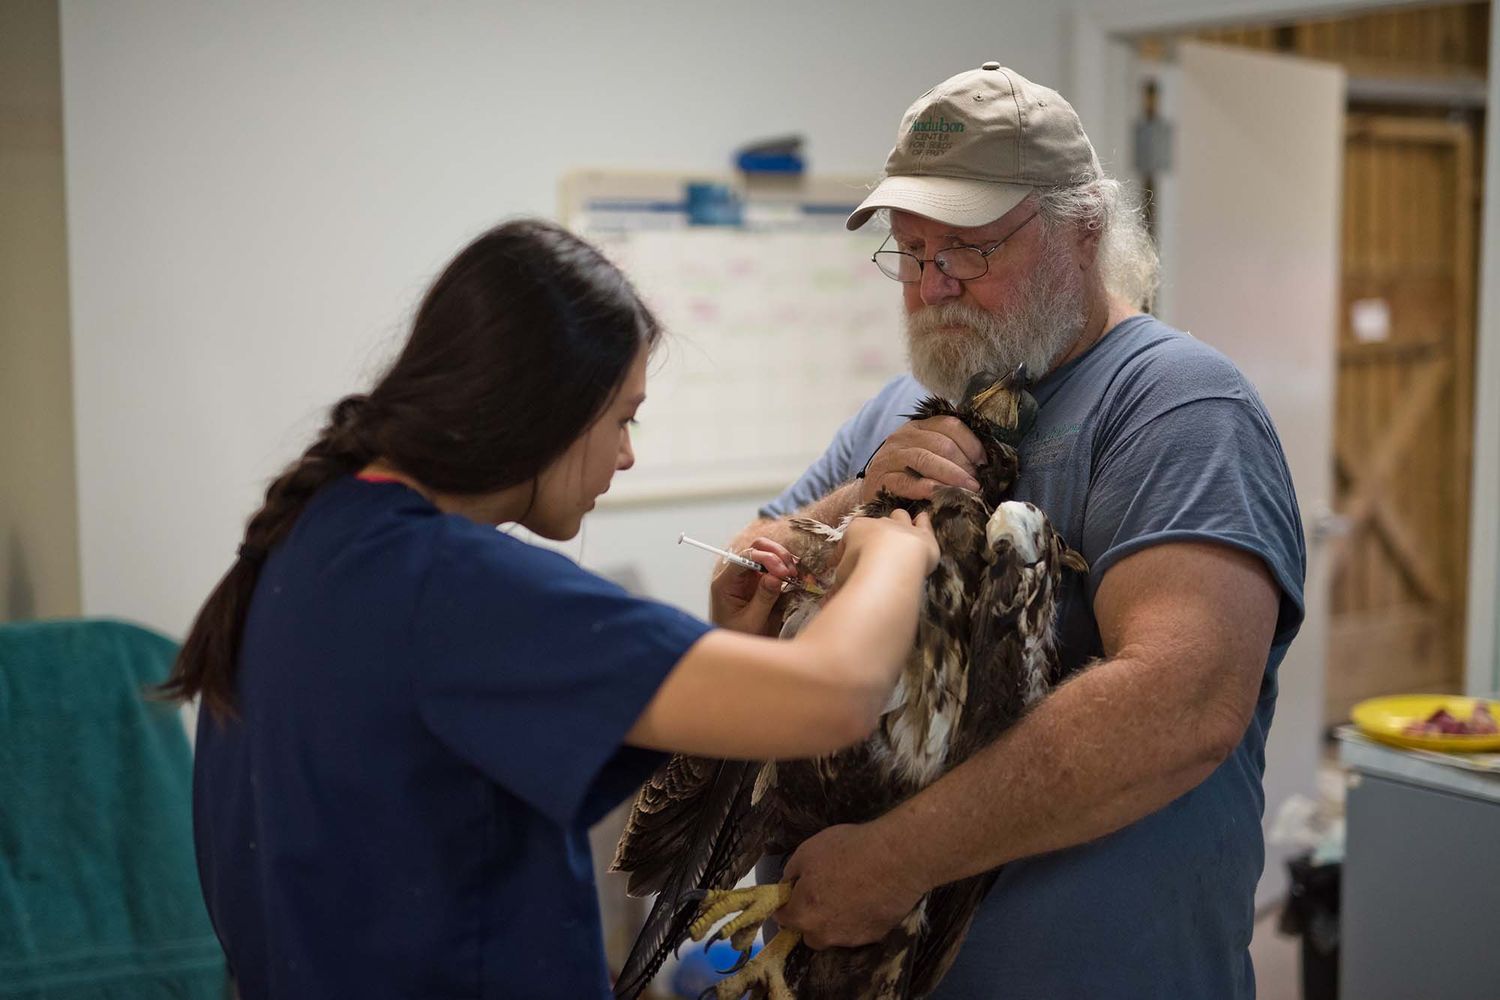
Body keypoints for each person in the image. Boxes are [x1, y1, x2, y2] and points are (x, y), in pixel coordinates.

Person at [160, 219, 940, 999]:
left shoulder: (315, 538)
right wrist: (890, 546)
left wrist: (724, 647)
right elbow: (834, 695)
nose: (626, 454)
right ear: (551, 409)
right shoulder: (455, 587)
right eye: (623, 418)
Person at [712, 64, 1306, 998]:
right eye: (910, 253)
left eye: (970, 249)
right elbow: (745, 591)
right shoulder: (897, 415)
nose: (933, 283)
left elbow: (1181, 704)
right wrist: (852, 504)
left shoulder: (1179, 406)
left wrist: (895, 860)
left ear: (1084, 229)